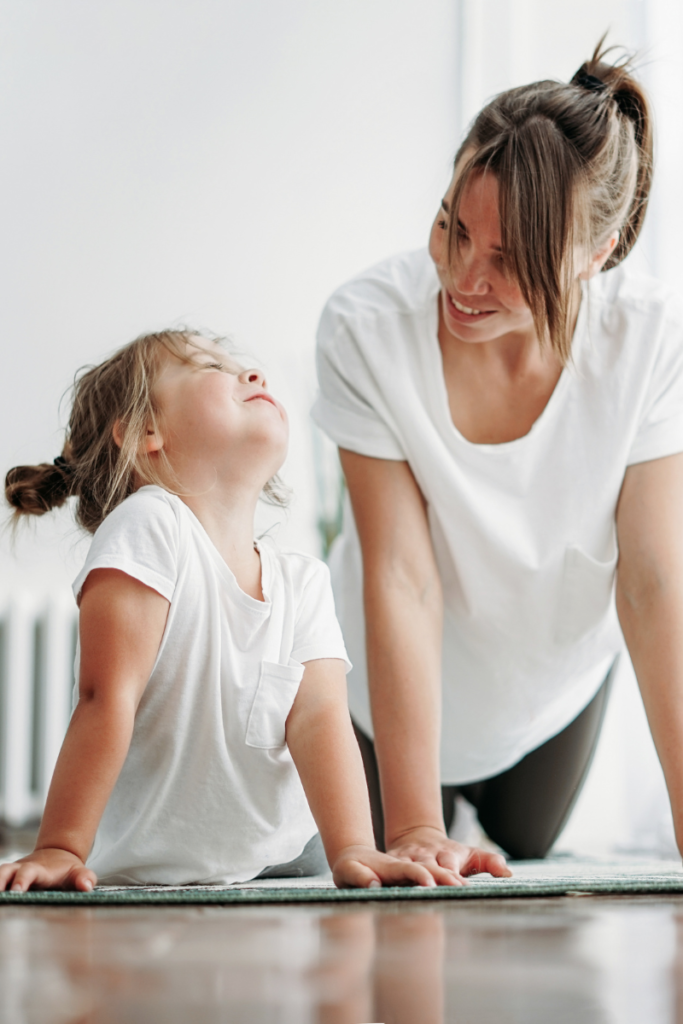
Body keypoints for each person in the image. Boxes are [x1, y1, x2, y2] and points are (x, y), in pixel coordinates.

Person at [312, 41, 683, 871]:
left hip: (549, 688)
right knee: (397, 860)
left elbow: (655, 580)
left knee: (528, 844)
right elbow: (402, 577)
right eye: (451, 224)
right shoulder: (364, 329)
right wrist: (413, 832)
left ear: (597, 253)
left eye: (508, 259)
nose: (460, 275)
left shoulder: (650, 341)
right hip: (387, 693)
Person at [0, 329, 510, 891]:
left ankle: (458, 825)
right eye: (206, 365)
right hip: (149, 860)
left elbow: (321, 720)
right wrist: (59, 846)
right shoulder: (148, 526)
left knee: (329, 842)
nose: (251, 374)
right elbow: (105, 696)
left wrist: (356, 849)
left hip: (288, 855)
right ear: (146, 431)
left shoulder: (303, 580)